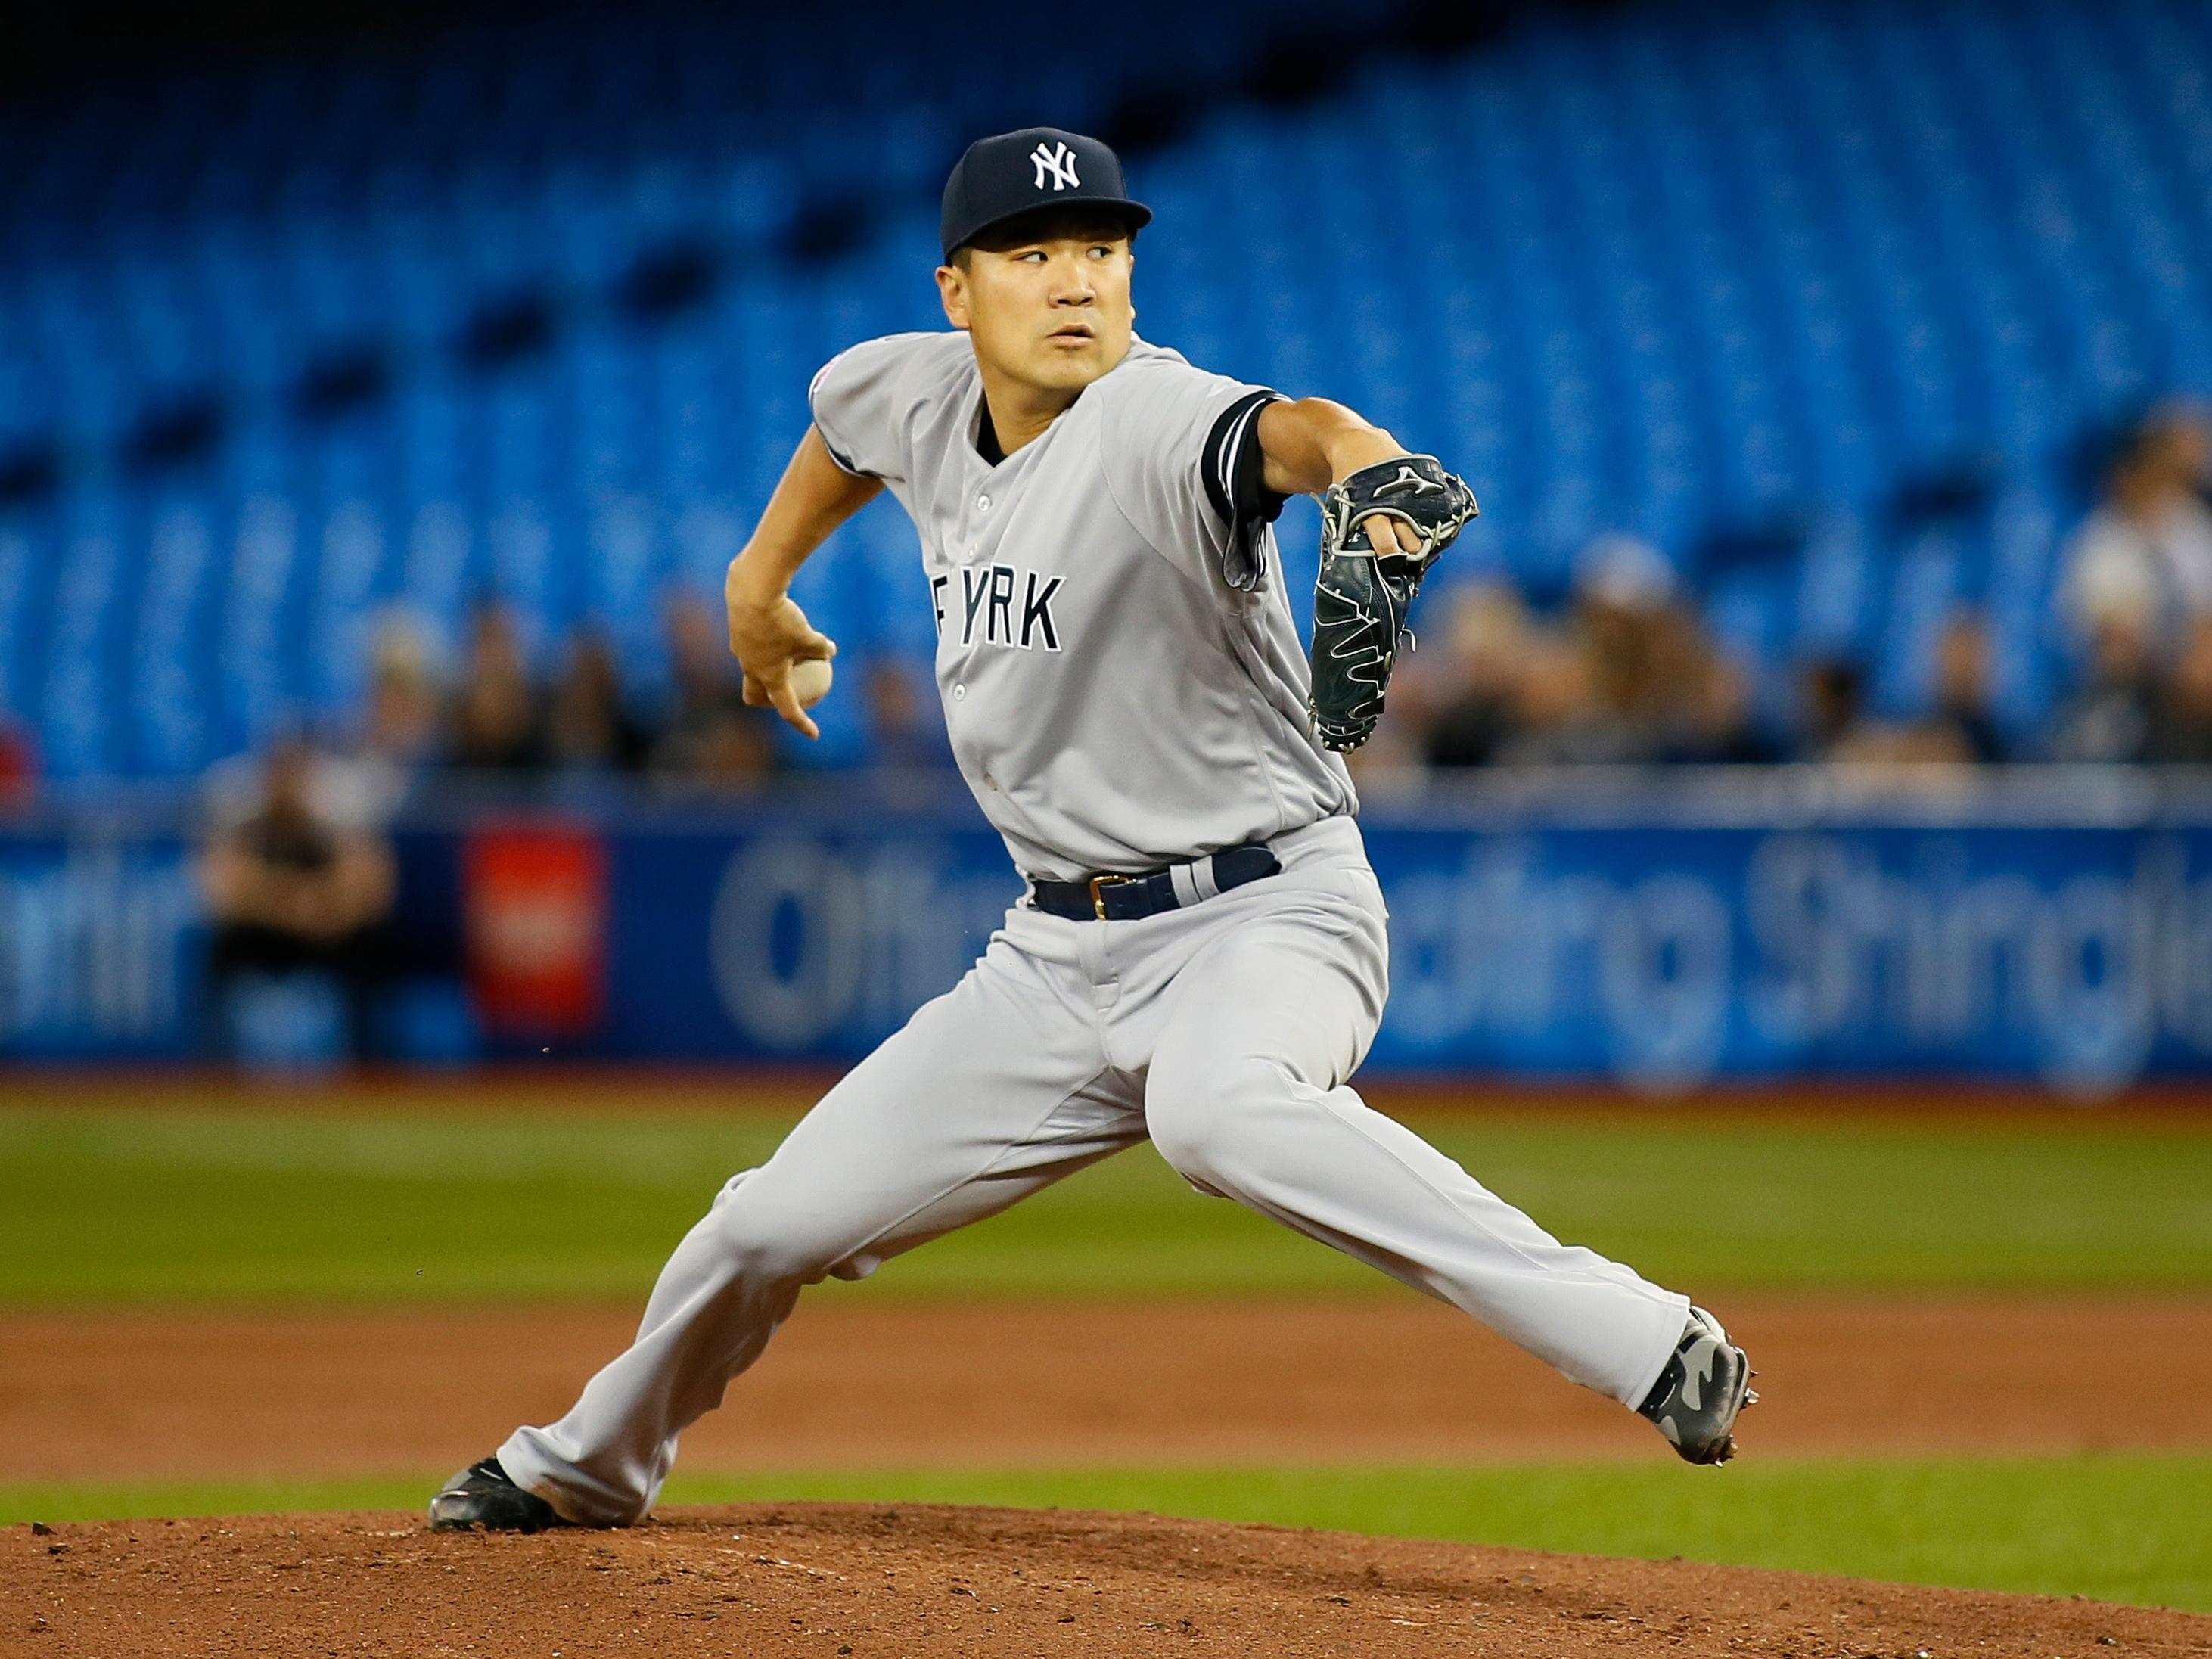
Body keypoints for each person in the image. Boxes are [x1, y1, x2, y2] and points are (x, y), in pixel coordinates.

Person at [429, 128, 1754, 1533]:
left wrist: (1371, 475)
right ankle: (587, 1464)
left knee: (1213, 1108)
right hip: (1055, 958)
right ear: (958, 292)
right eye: (1033, 252)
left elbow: (1292, 432)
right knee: (763, 1223)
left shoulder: (1151, 419)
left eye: (1102, 250)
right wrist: (755, 588)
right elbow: (842, 431)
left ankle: (1644, 1339)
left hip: (1268, 909)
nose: (1075, 281)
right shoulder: (915, 387)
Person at [200, 735, 397, 1058]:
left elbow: (370, 891)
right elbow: (225, 892)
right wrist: (296, 903)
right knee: (222, 949)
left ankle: (369, 1063)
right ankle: (217, 1066)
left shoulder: (326, 833)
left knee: (371, 947)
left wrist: (310, 905)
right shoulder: (249, 830)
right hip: (262, 939)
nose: (286, 786)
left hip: (322, 938)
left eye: (295, 777)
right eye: (279, 776)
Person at [2058, 402, 2212, 666]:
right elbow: (2103, 631)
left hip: (2187, 669)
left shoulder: (2191, 524)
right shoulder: (2098, 538)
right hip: (2127, 675)